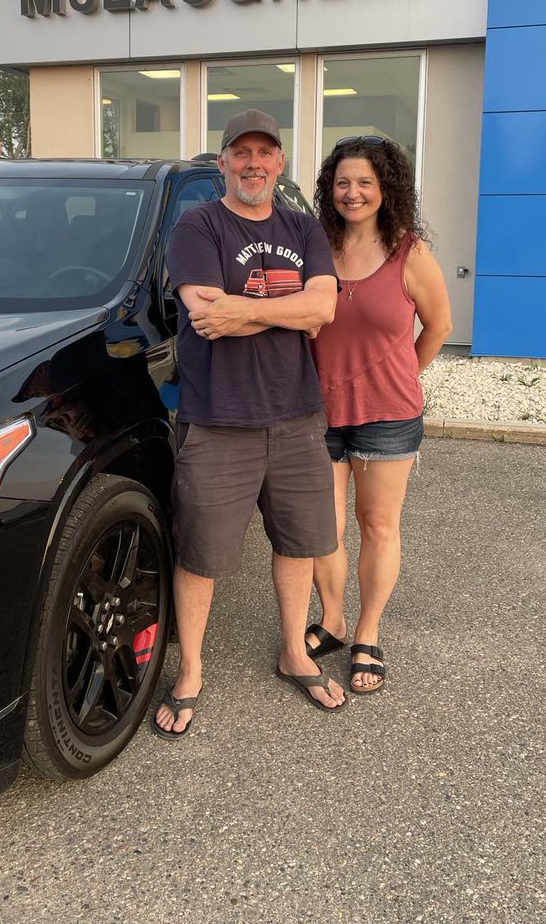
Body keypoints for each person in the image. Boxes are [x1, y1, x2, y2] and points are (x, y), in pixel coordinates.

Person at [153, 109, 345, 737]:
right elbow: (204, 314)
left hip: (297, 416)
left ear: (280, 163)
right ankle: (191, 670)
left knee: (299, 544)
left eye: (265, 153)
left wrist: (248, 310)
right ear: (223, 163)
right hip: (218, 419)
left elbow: (325, 308)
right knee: (201, 553)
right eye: (242, 152)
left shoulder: (303, 227)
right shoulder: (198, 224)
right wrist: (293, 310)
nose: (253, 164)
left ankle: (294, 652)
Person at [306, 136, 452, 694]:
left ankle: (368, 631)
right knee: (322, 528)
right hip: (318, 412)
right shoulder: (316, 246)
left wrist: (402, 374)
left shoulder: (409, 253)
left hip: (386, 416)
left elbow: (439, 325)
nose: (353, 193)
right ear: (330, 189)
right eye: (343, 182)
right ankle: (333, 619)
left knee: (378, 525)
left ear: (386, 188)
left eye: (365, 182)